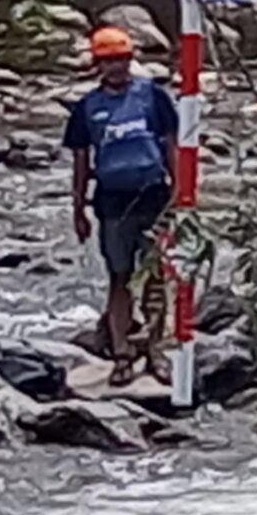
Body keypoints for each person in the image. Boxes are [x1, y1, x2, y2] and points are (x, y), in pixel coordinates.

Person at [63, 26, 179, 386]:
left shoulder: (153, 97)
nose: (116, 67)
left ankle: (157, 351)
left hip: (154, 197)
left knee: (157, 278)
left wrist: (182, 193)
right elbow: (81, 160)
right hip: (111, 203)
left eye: (122, 59)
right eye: (109, 60)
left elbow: (171, 143)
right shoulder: (86, 108)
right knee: (119, 278)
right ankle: (122, 354)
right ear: (98, 64)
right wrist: (78, 208)